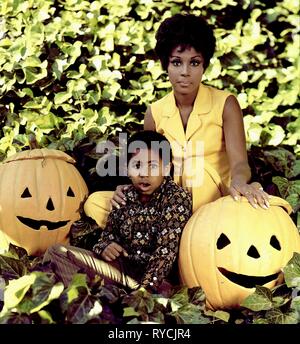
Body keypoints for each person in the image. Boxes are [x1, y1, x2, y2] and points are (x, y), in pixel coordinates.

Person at [84, 13, 270, 227]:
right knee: (96, 202)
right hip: (169, 202)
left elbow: (240, 164)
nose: (185, 72)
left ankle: (177, 236)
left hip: (216, 202)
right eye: (176, 62)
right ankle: (165, 235)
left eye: (194, 62)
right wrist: (129, 188)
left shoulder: (226, 104)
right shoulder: (154, 112)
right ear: (166, 65)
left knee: (193, 170)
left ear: (204, 66)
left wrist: (240, 183)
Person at [43, 131, 192, 292]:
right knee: (56, 253)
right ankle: (97, 300)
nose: (144, 173)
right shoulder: (125, 195)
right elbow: (107, 235)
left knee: (162, 293)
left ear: (166, 168)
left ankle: (114, 301)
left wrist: (144, 291)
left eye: (152, 166)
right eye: (137, 166)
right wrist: (105, 247)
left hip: (154, 278)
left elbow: (166, 252)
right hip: (119, 269)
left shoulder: (176, 198)